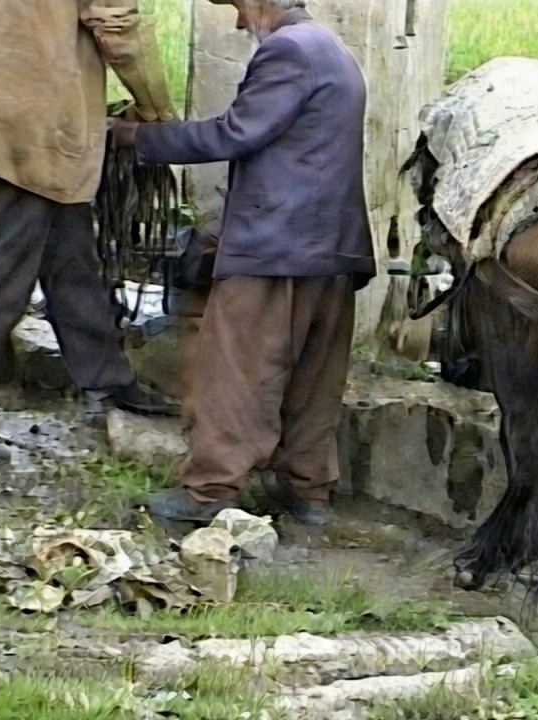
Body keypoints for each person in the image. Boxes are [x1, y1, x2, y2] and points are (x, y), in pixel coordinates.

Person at [109, 0, 375, 526]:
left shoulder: (287, 50)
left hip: (276, 246)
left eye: (235, 6)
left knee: (236, 373)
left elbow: (234, 132)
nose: (234, 19)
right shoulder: (331, 50)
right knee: (314, 380)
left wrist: (137, 137)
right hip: (332, 248)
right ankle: (307, 493)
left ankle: (209, 491)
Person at [0, 0, 183, 466]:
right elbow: (116, 27)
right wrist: (157, 112)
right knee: (4, 272)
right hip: (36, 118)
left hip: (4, 102)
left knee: (71, 258)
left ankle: (106, 379)